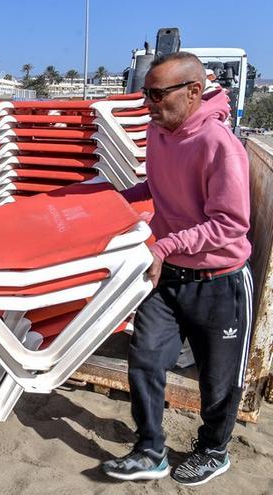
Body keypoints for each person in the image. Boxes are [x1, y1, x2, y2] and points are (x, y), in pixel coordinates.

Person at [101, 52, 252, 487]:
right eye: (145, 93)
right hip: (168, 276)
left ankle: (213, 450)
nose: (147, 103)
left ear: (192, 91)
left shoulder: (220, 145)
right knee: (145, 359)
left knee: (218, 380)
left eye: (156, 94)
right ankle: (150, 448)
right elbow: (158, 186)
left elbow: (230, 224)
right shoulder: (157, 131)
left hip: (219, 281)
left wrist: (165, 244)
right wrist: (114, 200)